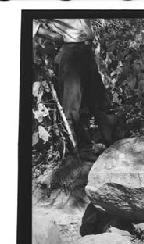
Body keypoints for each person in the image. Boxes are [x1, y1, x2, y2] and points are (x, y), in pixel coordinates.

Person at [33, 19, 124, 158]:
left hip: (86, 50)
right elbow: (27, 20)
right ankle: (82, 151)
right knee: (72, 105)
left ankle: (114, 141)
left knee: (99, 98)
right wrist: (51, 35)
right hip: (69, 52)